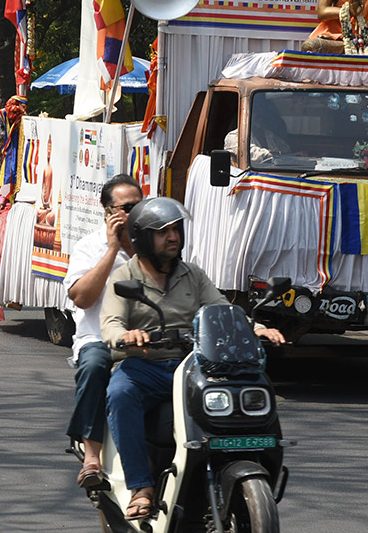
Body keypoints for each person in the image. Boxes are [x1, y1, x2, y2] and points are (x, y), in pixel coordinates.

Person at [101, 198, 286, 519]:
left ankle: (250, 465)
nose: (173, 237)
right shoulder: (123, 277)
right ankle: (141, 486)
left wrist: (255, 327)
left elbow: (222, 309)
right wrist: (127, 336)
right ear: (143, 237)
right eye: (162, 232)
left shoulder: (193, 275)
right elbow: (111, 325)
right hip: (144, 366)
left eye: (176, 230)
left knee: (246, 392)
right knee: (120, 393)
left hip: (191, 367)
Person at [63, 175, 143, 491]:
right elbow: (81, 298)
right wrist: (113, 249)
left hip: (148, 340)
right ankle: (91, 456)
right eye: (126, 207)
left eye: (139, 206)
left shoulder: (153, 243)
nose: (134, 213)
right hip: (99, 339)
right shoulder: (89, 247)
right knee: (96, 364)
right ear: (108, 211)